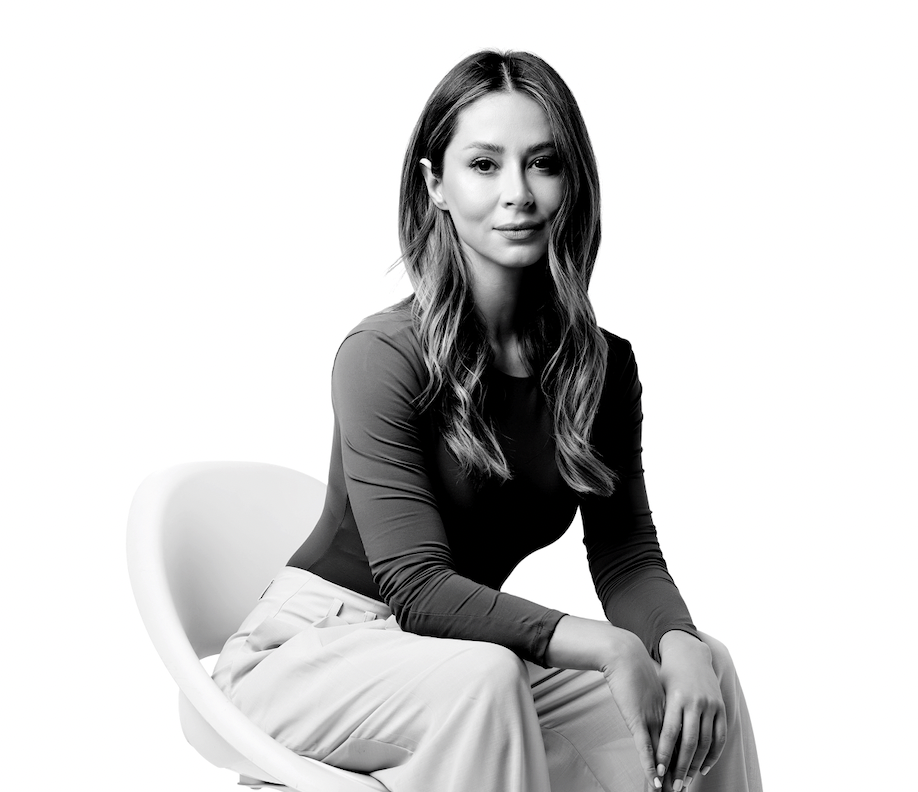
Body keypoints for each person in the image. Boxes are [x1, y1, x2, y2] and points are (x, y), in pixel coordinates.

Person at [212, 50, 762, 792]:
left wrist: (675, 639)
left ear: (574, 182)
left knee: (708, 672)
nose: (518, 194)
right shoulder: (382, 354)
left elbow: (625, 552)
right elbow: (415, 585)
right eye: (483, 165)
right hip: (307, 653)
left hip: (456, 653)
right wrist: (604, 647)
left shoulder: (601, 366)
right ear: (435, 183)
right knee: (488, 678)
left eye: (542, 163)